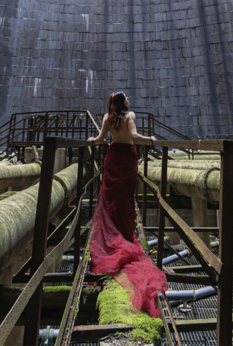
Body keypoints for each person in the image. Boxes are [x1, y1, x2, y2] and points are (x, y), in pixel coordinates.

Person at [87, 91, 166, 317]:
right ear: (123, 102)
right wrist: (151, 140)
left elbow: (100, 140)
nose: (130, 101)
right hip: (127, 159)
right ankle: (125, 234)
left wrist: (90, 141)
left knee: (111, 200)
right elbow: (134, 136)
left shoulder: (106, 118)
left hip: (113, 159)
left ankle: (112, 236)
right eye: (127, 98)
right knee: (125, 200)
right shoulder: (129, 116)